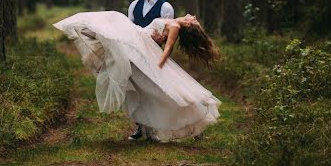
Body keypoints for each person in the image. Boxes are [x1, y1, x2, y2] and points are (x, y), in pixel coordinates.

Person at [53, 10, 221, 143]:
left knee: (114, 23)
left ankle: (175, 122)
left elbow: (168, 48)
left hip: (141, 44)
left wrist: (159, 66)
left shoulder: (176, 27)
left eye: (194, 19)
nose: (193, 16)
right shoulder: (175, 21)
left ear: (189, 24)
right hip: (139, 37)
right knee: (113, 20)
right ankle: (85, 28)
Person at [127, 0, 175, 139]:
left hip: (154, 54)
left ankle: (155, 127)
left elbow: (169, 34)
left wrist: (159, 41)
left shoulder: (165, 7)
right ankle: (140, 127)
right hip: (135, 53)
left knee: (154, 90)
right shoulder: (134, 5)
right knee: (138, 89)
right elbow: (129, 30)